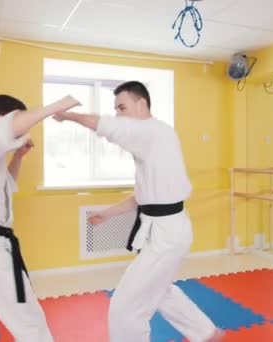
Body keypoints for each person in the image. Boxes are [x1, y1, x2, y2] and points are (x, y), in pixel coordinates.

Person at [53, 81, 224, 342]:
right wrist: (108, 213)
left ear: (141, 104)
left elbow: (107, 126)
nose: (119, 114)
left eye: (122, 107)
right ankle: (207, 333)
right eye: (116, 109)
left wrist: (67, 115)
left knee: (124, 308)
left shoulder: (153, 133)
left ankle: (206, 333)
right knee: (160, 291)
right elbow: (145, 197)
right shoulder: (155, 139)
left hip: (167, 235)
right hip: (165, 231)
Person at [0, 94, 79, 342]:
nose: (24, 130)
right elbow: (11, 126)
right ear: (1, 119)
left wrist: (17, 157)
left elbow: (4, 187)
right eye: (20, 121)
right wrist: (61, 104)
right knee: (31, 324)